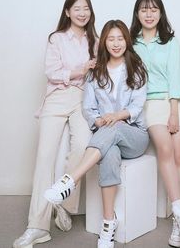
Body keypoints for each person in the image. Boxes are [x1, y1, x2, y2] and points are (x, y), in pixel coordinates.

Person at [44, 20, 149, 248]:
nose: (115, 43)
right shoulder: (95, 73)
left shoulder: (137, 68)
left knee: (114, 128)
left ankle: (70, 179)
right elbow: (88, 109)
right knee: (109, 153)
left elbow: (137, 107)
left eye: (120, 38)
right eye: (110, 39)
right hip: (108, 136)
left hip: (135, 136)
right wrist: (99, 120)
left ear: (126, 41)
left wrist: (115, 116)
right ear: (104, 42)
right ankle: (108, 225)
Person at [13, 0, 98, 248]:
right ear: (67, 12)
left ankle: (62, 202)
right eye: (77, 8)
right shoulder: (57, 39)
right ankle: (37, 226)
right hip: (57, 97)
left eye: (86, 9)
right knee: (45, 157)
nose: (82, 13)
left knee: (83, 148)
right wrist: (79, 70)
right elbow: (51, 72)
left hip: (83, 99)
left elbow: (100, 73)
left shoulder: (94, 40)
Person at [130, 0, 180, 248]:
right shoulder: (131, 44)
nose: (149, 14)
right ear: (137, 14)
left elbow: (176, 76)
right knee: (166, 151)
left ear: (161, 13)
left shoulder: (170, 42)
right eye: (144, 10)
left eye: (154, 9)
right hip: (150, 104)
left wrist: (174, 111)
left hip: (175, 102)